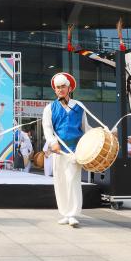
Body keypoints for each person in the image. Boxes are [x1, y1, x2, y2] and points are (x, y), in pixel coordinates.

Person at [42, 72, 89, 228]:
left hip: (76, 150)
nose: (60, 90)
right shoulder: (49, 108)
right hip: (59, 150)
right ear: (55, 90)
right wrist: (52, 142)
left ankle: (73, 213)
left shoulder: (79, 107)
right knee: (60, 181)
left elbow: (86, 128)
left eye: (63, 87)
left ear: (69, 88)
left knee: (73, 180)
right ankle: (65, 213)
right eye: (58, 87)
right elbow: (47, 129)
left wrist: (103, 135)